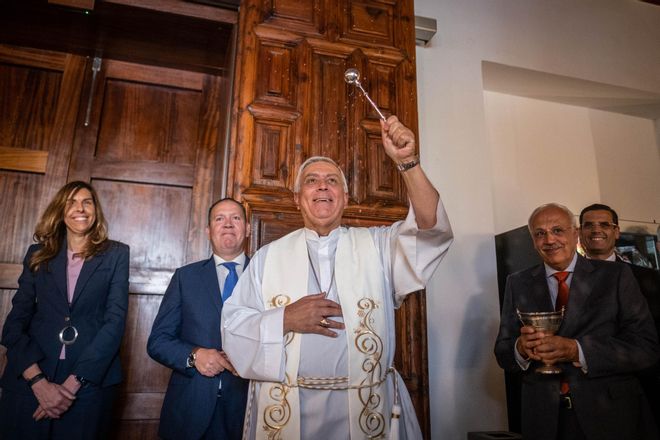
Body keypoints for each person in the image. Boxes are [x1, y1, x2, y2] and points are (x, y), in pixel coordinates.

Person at [221, 115, 453, 439]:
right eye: (312, 180)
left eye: (332, 181)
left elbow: (431, 229)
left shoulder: (378, 246)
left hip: (367, 408)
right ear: (297, 198)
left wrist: (408, 162)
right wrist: (285, 318)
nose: (322, 187)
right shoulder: (267, 258)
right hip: (290, 410)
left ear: (344, 197)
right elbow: (232, 327)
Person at [494, 202, 659, 440]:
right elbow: (503, 351)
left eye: (558, 230)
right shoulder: (517, 282)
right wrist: (520, 349)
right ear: (533, 240)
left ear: (575, 234)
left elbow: (645, 348)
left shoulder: (615, 276)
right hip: (544, 421)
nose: (549, 240)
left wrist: (576, 350)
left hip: (610, 419)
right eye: (540, 234)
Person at [0, 181, 130, 439]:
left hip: (89, 384)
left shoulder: (116, 254)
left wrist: (72, 385)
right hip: (31, 379)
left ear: (95, 211)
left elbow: (114, 323)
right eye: (71, 202)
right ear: (60, 211)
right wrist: (38, 382)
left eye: (87, 202)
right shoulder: (38, 254)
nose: (79, 208)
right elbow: (15, 323)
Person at [148, 198, 251, 440]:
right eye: (219, 219)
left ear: (247, 229)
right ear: (208, 231)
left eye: (236, 218)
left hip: (250, 408)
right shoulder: (185, 278)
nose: (227, 224)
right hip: (191, 410)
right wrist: (194, 356)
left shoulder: (267, 276)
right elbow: (158, 342)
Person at [579, 202, 660, 429]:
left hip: (643, 386)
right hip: (587, 390)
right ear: (579, 232)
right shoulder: (564, 281)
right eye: (589, 225)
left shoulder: (650, 279)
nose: (596, 230)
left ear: (616, 232)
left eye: (604, 224)